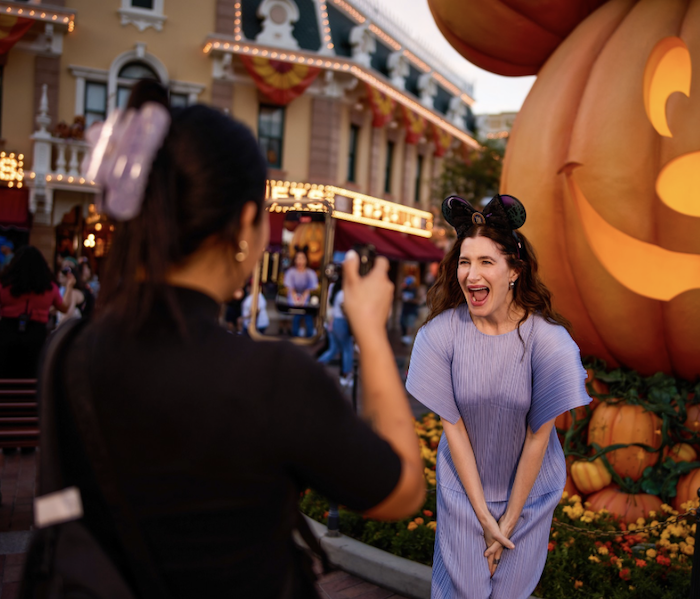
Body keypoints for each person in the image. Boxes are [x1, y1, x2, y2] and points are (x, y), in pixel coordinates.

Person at [31, 80, 425, 597]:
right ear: (245, 224)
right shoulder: (272, 377)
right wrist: (371, 331)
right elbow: (400, 492)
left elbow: (61, 504)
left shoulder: (68, 350)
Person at [406, 194, 591, 598]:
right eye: (464, 261)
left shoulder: (549, 343)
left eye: (486, 262)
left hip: (529, 496)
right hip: (462, 492)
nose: (471, 274)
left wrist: (506, 522)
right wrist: (482, 517)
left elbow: (538, 437)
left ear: (514, 271)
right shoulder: (439, 337)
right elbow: (452, 428)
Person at [0, 246, 74, 378]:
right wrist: (69, 286)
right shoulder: (49, 288)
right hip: (36, 336)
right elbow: (65, 307)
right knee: (32, 375)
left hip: (7, 334)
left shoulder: (4, 285)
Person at [318, 269, 354, 387]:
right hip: (340, 322)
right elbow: (346, 310)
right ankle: (346, 375)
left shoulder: (336, 291)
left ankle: (315, 366)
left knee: (333, 349)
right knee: (347, 349)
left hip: (332, 322)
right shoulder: (343, 293)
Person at [285, 248, 318, 337]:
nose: (300, 261)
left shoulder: (310, 273)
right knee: (296, 317)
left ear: (306, 260)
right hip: (294, 299)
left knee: (308, 317)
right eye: (298, 258)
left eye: (302, 258)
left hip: (307, 300)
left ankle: (309, 336)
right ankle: (295, 335)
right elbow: (290, 288)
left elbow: (311, 288)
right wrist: (296, 299)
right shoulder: (291, 272)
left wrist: (303, 299)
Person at [399, 275, 419, 345]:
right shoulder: (405, 289)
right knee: (403, 323)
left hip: (412, 311)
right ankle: (404, 337)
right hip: (405, 310)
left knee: (409, 324)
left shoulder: (415, 290)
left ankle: (408, 338)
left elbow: (418, 300)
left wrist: (410, 300)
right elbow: (400, 297)